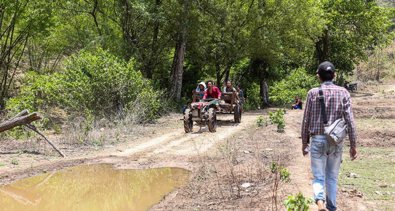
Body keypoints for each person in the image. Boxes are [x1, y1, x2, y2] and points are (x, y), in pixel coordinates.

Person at [301, 61, 357, 211]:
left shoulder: (312, 93)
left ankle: (320, 201)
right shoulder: (344, 92)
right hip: (336, 140)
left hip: (317, 139)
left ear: (318, 76)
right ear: (334, 75)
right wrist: (353, 145)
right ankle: (332, 208)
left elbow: (306, 119)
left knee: (319, 176)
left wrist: (304, 143)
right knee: (332, 177)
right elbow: (349, 120)